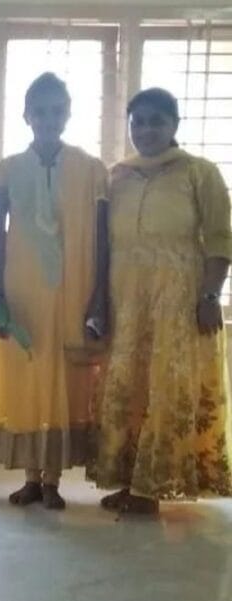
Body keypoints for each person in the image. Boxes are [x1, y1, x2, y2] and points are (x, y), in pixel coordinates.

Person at [87, 88, 232, 514]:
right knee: (129, 388)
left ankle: (154, 485)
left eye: (156, 121)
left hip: (178, 298)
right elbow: (103, 243)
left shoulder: (198, 173)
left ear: (174, 125)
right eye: (138, 122)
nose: (146, 130)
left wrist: (211, 294)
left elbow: (221, 238)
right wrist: (100, 302)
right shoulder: (117, 176)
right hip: (127, 297)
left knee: (166, 387)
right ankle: (131, 480)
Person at [0, 73, 109, 510]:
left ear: (68, 113)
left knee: (67, 382)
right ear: (26, 115)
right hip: (23, 290)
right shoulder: (5, 171)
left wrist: (99, 296)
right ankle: (32, 479)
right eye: (40, 111)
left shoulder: (91, 169)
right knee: (27, 380)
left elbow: (104, 241)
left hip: (73, 289)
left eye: (57, 110)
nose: (49, 119)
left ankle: (53, 482)